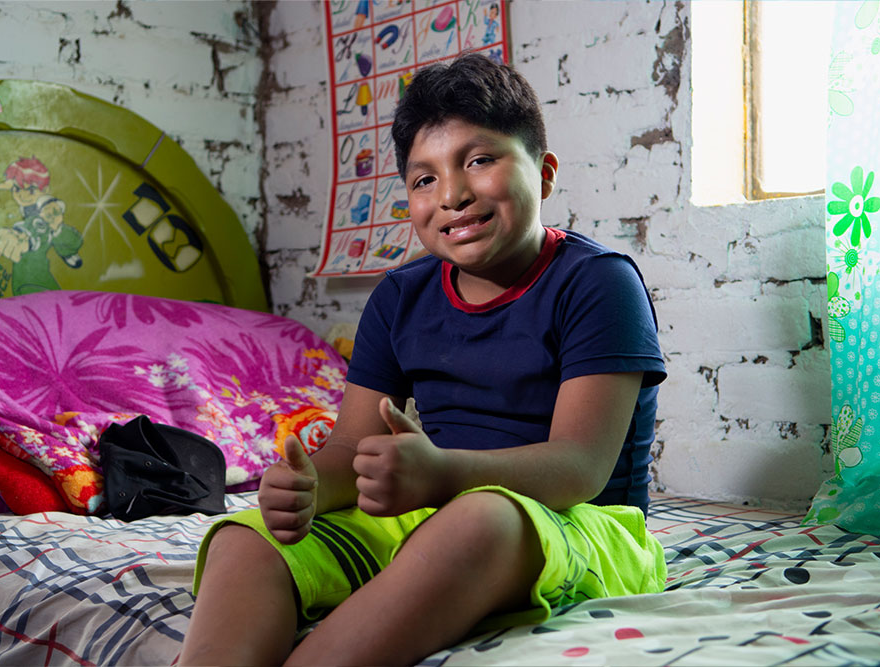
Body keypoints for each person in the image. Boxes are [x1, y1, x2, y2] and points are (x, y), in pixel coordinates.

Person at [180, 52, 667, 666]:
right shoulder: (401, 296)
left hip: (581, 527)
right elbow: (351, 448)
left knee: (480, 519)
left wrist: (440, 474)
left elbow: (581, 468)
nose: (454, 195)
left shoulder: (597, 283)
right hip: (437, 511)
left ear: (543, 174)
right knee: (245, 539)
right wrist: (309, 489)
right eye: (424, 179)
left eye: (481, 160)